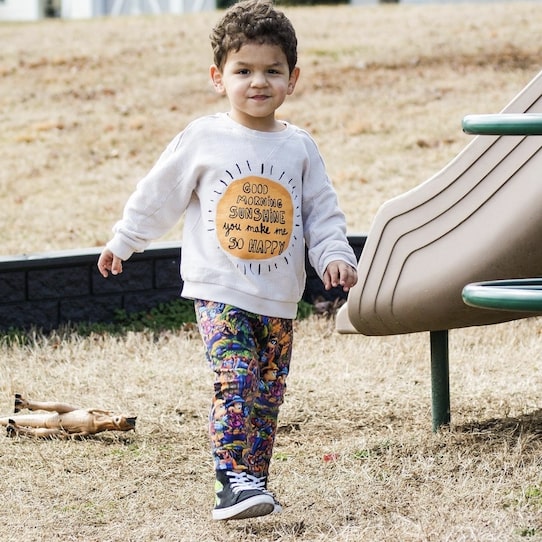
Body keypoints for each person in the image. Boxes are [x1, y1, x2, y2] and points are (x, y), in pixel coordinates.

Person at [97, 0, 358, 521]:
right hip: (218, 290)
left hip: (280, 299)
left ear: (293, 77)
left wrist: (333, 254)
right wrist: (125, 238)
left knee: (267, 395)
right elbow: (160, 194)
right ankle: (230, 482)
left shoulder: (300, 147)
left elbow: (323, 211)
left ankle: (252, 485)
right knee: (235, 376)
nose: (257, 82)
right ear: (219, 77)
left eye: (271, 71)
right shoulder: (204, 138)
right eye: (243, 71)